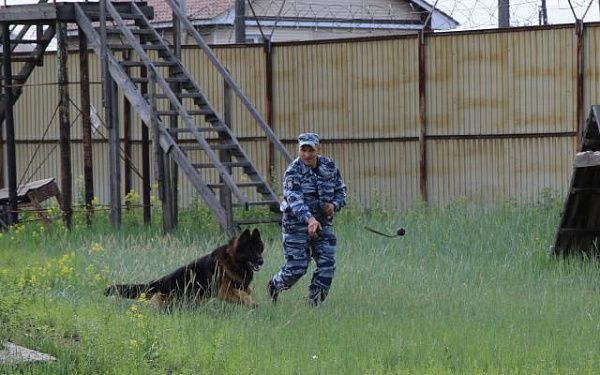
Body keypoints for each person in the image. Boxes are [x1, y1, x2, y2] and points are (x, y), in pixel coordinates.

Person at [267, 132, 347, 306]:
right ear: (299, 150)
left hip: (323, 224)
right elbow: (295, 201)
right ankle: (275, 285)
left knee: (327, 265)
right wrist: (310, 219)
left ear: (318, 149)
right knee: (297, 268)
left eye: (311, 150)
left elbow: (341, 190)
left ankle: (314, 304)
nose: (307, 154)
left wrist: (334, 204)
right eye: (303, 150)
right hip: (296, 225)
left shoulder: (329, 166)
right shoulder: (292, 172)